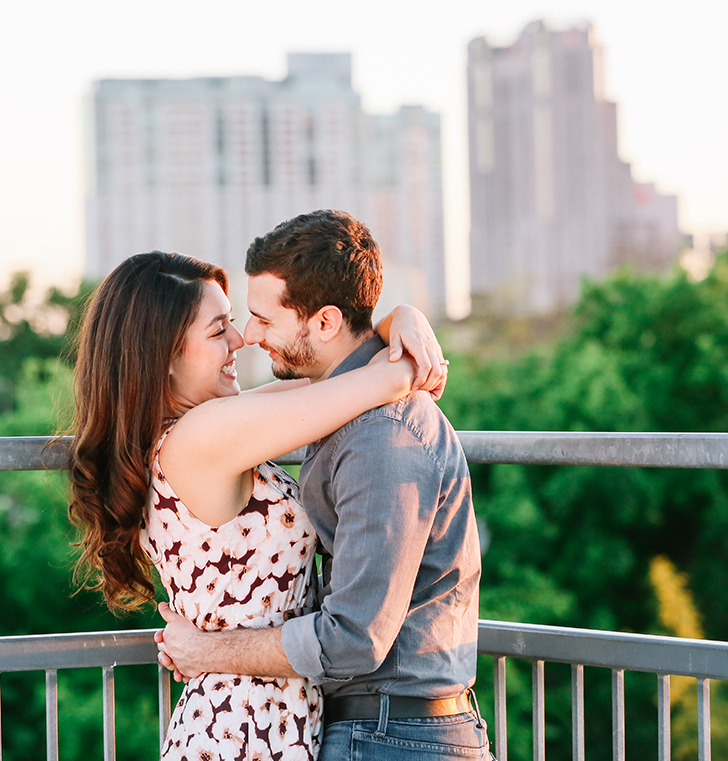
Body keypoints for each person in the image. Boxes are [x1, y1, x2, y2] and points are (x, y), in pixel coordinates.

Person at [67, 249, 447, 760]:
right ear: (166, 355)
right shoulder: (201, 436)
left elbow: (338, 372)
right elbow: (388, 377)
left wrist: (404, 317)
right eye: (218, 328)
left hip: (257, 721)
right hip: (243, 729)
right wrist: (409, 332)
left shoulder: (197, 432)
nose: (240, 338)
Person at [156, 211, 489, 760]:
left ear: (326, 322)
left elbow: (354, 638)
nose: (249, 336)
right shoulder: (335, 407)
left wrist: (210, 651)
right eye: (229, 326)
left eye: (261, 318)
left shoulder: (381, 433)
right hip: (366, 728)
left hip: (393, 735)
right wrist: (400, 334)